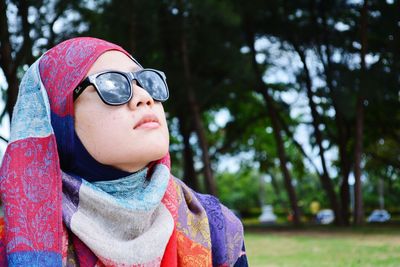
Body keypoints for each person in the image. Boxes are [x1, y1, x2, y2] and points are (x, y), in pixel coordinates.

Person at [0, 37, 247, 266]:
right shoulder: (8, 241)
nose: (144, 96)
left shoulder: (218, 226)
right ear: (58, 118)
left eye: (148, 82)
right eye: (112, 84)